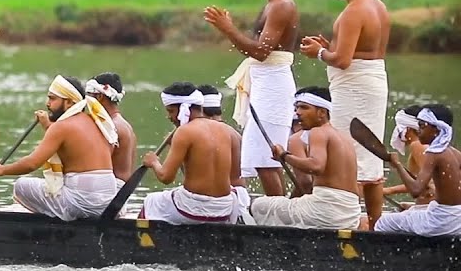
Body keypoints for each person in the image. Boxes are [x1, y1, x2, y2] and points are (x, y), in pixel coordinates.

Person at [299, 0, 390, 228]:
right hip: (373, 81)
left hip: (355, 88)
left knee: (349, 156)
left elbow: (343, 60)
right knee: (370, 155)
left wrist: (318, 52)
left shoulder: (353, 11)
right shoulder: (377, 5)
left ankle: (346, 222)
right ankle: (375, 225)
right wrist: (329, 47)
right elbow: (359, 51)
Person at [205, 0, 299, 198]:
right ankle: (277, 209)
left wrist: (227, 29)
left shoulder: (281, 6)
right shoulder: (273, 4)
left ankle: (277, 213)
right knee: (263, 156)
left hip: (274, 84)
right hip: (265, 82)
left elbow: (260, 52)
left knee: (266, 158)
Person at [0, 75, 119, 221]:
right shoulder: (94, 121)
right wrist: (47, 126)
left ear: (69, 102)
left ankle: (49, 228)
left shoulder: (61, 127)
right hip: (109, 202)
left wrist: (2, 170)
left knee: (21, 186)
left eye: (52, 99)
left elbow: (32, 163)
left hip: (83, 203)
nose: (47, 103)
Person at [250, 87, 362, 231]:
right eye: (296, 108)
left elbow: (316, 166)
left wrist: (284, 156)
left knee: (258, 205)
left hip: (325, 212)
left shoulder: (318, 132)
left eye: (304, 107)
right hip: (351, 215)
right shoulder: (344, 137)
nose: (297, 113)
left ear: (322, 112)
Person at [139, 82, 240, 225]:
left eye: (171, 111)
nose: (169, 117)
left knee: (151, 201)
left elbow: (166, 177)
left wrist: (153, 162)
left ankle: (144, 245)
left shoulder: (184, 131)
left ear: (184, 109)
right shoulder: (225, 129)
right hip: (224, 209)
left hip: (194, 210)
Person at [376, 104, 461, 237]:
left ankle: (388, 257)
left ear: (436, 129)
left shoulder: (434, 153)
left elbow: (416, 190)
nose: (418, 131)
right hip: (457, 219)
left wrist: (397, 165)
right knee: (409, 215)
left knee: (383, 222)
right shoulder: (455, 153)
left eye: (422, 126)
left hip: (440, 221)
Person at [197, 82, 253, 222]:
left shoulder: (207, 134)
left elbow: (197, 178)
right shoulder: (234, 133)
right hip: (242, 198)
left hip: (222, 200)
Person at [86, 72, 137, 189]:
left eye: (89, 96)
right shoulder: (124, 124)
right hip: (124, 191)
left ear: (99, 97)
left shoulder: (110, 127)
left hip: (110, 192)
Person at [382, 105, 431, 209]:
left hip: (434, 211)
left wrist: (388, 190)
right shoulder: (420, 146)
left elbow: (430, 185)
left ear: (408, 128)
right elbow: (416, 183)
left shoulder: (417, 145)